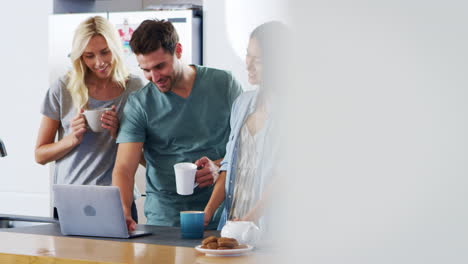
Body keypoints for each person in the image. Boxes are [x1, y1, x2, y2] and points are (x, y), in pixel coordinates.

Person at [112, 19, 243, 230]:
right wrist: (123, 211)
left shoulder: (224, 84)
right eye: (145, 69)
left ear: (179, 51)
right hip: (165, 219)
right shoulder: (139, 104)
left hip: (223, 215)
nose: (154, 77)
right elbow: (124, 168)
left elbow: (248, 148)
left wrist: (217, 166)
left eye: (160, 66)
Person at [35, 16, 143, 221]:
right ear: (80, 57)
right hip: (71, 200)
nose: (99, 62)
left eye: (105, 52)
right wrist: (71, 139)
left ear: (116, 48)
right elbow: (40, 155)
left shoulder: (135, 88)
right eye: (89, 56)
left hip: (118, 199)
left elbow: (149, 155)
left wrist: (120, 134)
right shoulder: (63, 88)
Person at [203, 21, 289, 231]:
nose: (247, 64)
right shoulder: (242, 103)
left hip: (271, 231)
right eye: (247, 54)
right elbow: (229, 164)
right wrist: (208, 212)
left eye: (257, 59)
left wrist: (250, 219)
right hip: (233, 224)